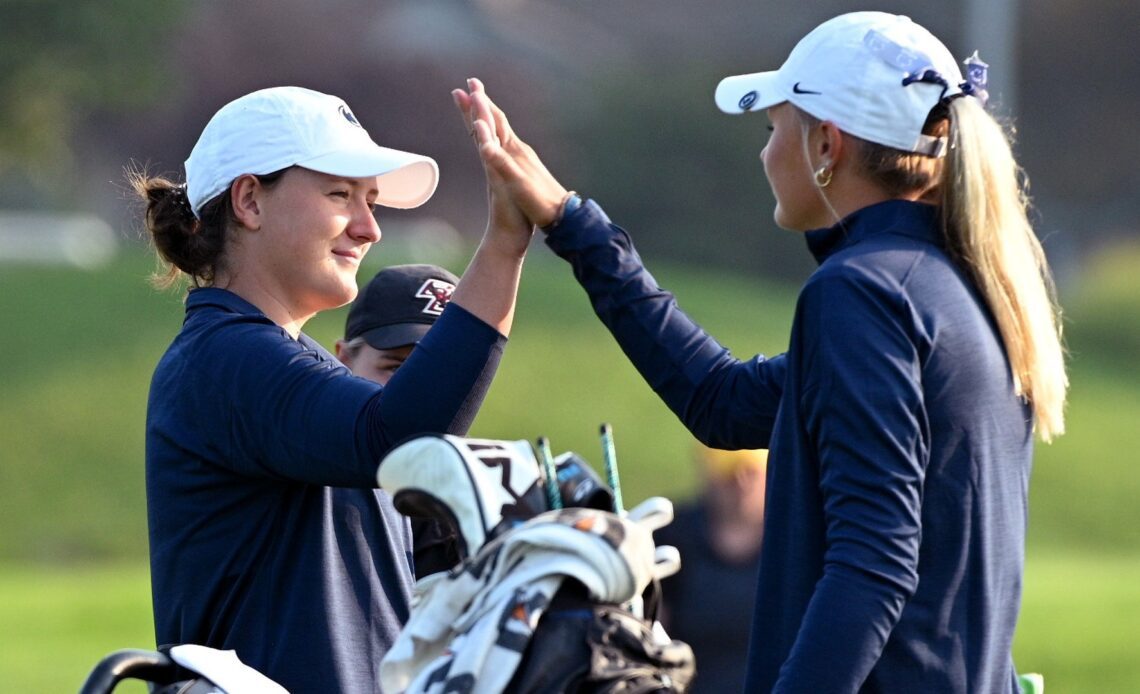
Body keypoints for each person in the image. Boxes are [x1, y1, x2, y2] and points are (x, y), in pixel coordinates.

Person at [452, 9, 1068, 692]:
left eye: (773, 129)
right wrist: (570, 222)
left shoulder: (861, 294)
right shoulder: (960, 286)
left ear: (827, 145)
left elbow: (873, 566)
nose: (765, 154)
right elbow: (723, 403)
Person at [133, 85, 532, 693]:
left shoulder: (281, 360)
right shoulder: (223, 358)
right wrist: (504, 244)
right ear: (249, 200)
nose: (369, 227)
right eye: (341, 194)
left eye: (371, 201)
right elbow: (397, 439)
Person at [335, 263, 464, 577]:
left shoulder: (475, 503)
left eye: (444, 372)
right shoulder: (312, 485)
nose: (420, 389)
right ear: (343, 359)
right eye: (396, 367)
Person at [654, 445, 766, 692]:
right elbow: (652, 640)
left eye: (751, 472)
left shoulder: (799, 540)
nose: (741, 483)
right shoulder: (673, 536)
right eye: (730, 473)